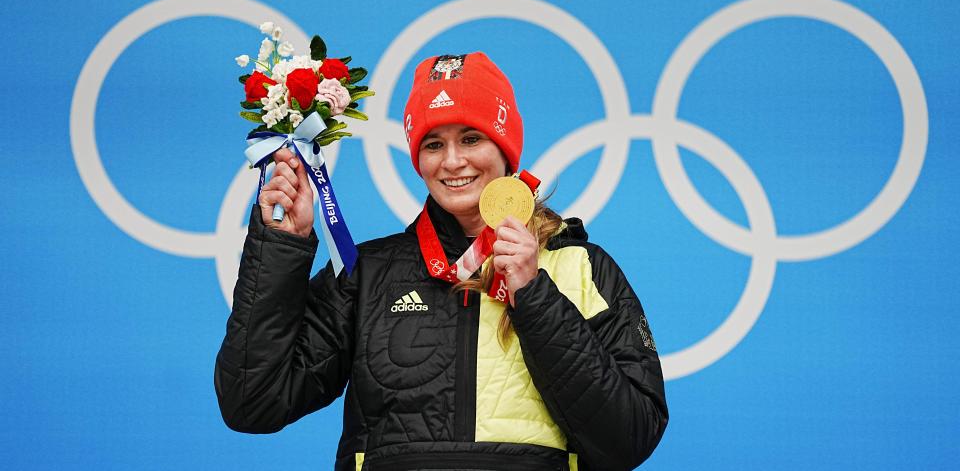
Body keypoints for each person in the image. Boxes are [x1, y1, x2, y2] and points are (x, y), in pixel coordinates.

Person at [215, 53, 668, 470]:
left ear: (505, 149)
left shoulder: (581, 267)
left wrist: (535, 294)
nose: (453, 162)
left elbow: (628, 438)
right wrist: (281, 247)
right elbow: (253, 402)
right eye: (433, 144)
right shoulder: (367, 273)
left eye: (471, 138)